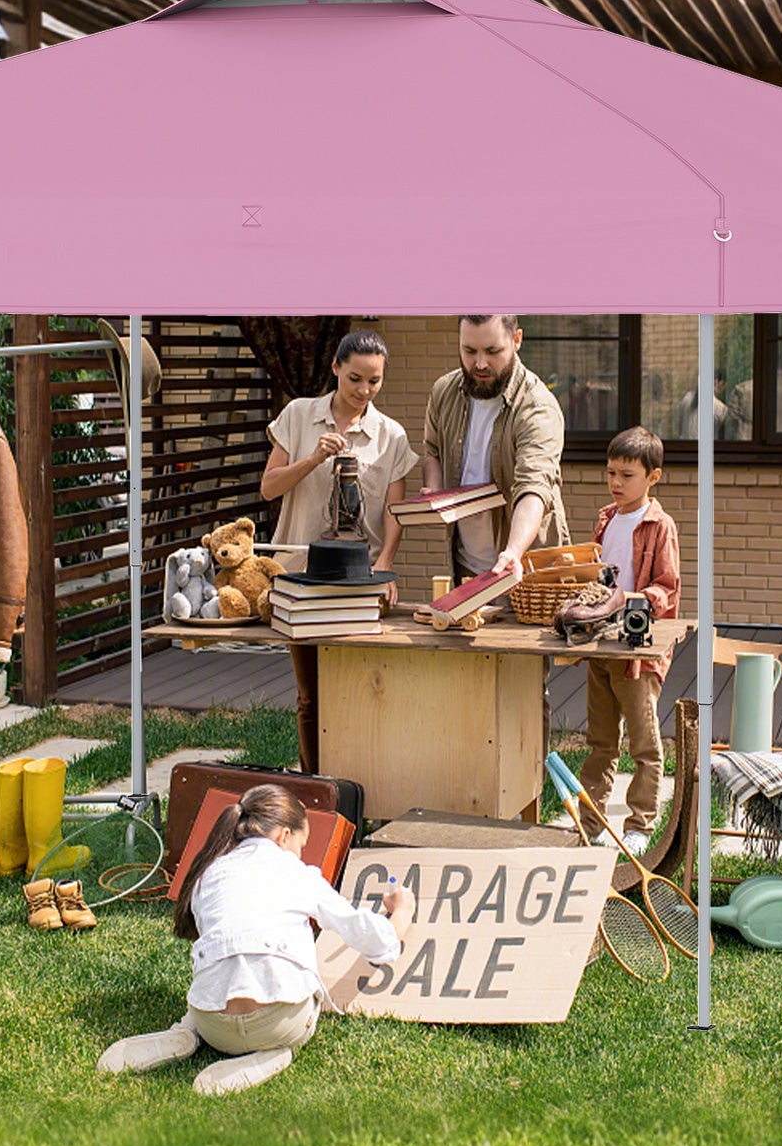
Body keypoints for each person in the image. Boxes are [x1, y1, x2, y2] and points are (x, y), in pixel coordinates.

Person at [97, 785, 416, 1097]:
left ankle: (186, 1031)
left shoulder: (208, 874)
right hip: (277, 1023)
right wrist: (402, 912)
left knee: (225, 970)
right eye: (301, 845)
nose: (301, 853)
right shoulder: (298, 874)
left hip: (213, 1025)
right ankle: (276, 1051)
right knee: (304, 997)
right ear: (284, 836)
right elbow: (374, 941)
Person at [261, 329, 417, 772]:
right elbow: (269, 488)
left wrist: (385, 564)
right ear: (335, 368)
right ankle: (314, 784)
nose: (364, 391)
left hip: (361, 582)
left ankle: (358, 786)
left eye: (374, 381)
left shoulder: (391, 435)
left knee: (364, 691)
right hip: (300, 580)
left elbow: (394, 510)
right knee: (310, 696)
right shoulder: (298, 415)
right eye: (355, 379)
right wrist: (312, 458)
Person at [578, 426, 680, 854]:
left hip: (637, 649)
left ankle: (640, 824)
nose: (616, 483)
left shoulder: (659, 525)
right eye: (610, 473)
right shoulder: (606, 518)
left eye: (626, 475)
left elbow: (667, 586)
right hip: (601, 643)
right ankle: (591, 823)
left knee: (644, 744)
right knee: (601, 741)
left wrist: (631, 599)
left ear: (653, 477)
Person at [419, 314, 569, 584]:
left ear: (516, 340)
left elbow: (534, 486)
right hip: (465, 564)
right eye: (469, 351)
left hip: (525, 569)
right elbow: (433, 451)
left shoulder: (537, 407)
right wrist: (435, 488)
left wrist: (513, 552)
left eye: (492, 351)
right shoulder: (444, 392)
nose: (480, 364)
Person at [671, 369, 728, 440]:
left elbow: (679, 426)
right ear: (718, 383)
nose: (723, 390)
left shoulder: (686, 399)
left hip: (685, 445)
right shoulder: (720, 408)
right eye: (723, 386)